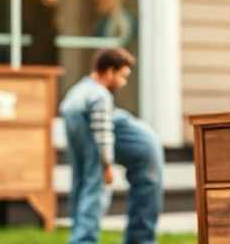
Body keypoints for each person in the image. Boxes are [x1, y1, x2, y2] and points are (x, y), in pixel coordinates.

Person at [60, 48, 164, 244]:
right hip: (109, 147)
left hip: (132, 150)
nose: (123, 83)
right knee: (94, 191)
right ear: (109, 72)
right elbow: (103, 133)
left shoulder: (77, 92)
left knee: (83, 186)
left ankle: (80, 237)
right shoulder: (100, 96)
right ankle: (85, 239)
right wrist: (106, 165)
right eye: (123, 76)